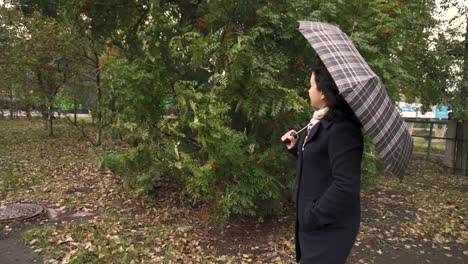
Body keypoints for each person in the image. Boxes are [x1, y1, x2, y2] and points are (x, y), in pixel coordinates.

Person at [281, 59, 363, 264]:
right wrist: (295, 149)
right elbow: (319, 162)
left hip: (329, 227)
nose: (309, 90)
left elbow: (346, 185)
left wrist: (313, 215)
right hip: (313, 225)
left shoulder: (343, 129)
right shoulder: (322, 122)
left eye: (311, 85)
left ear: (323, 93)